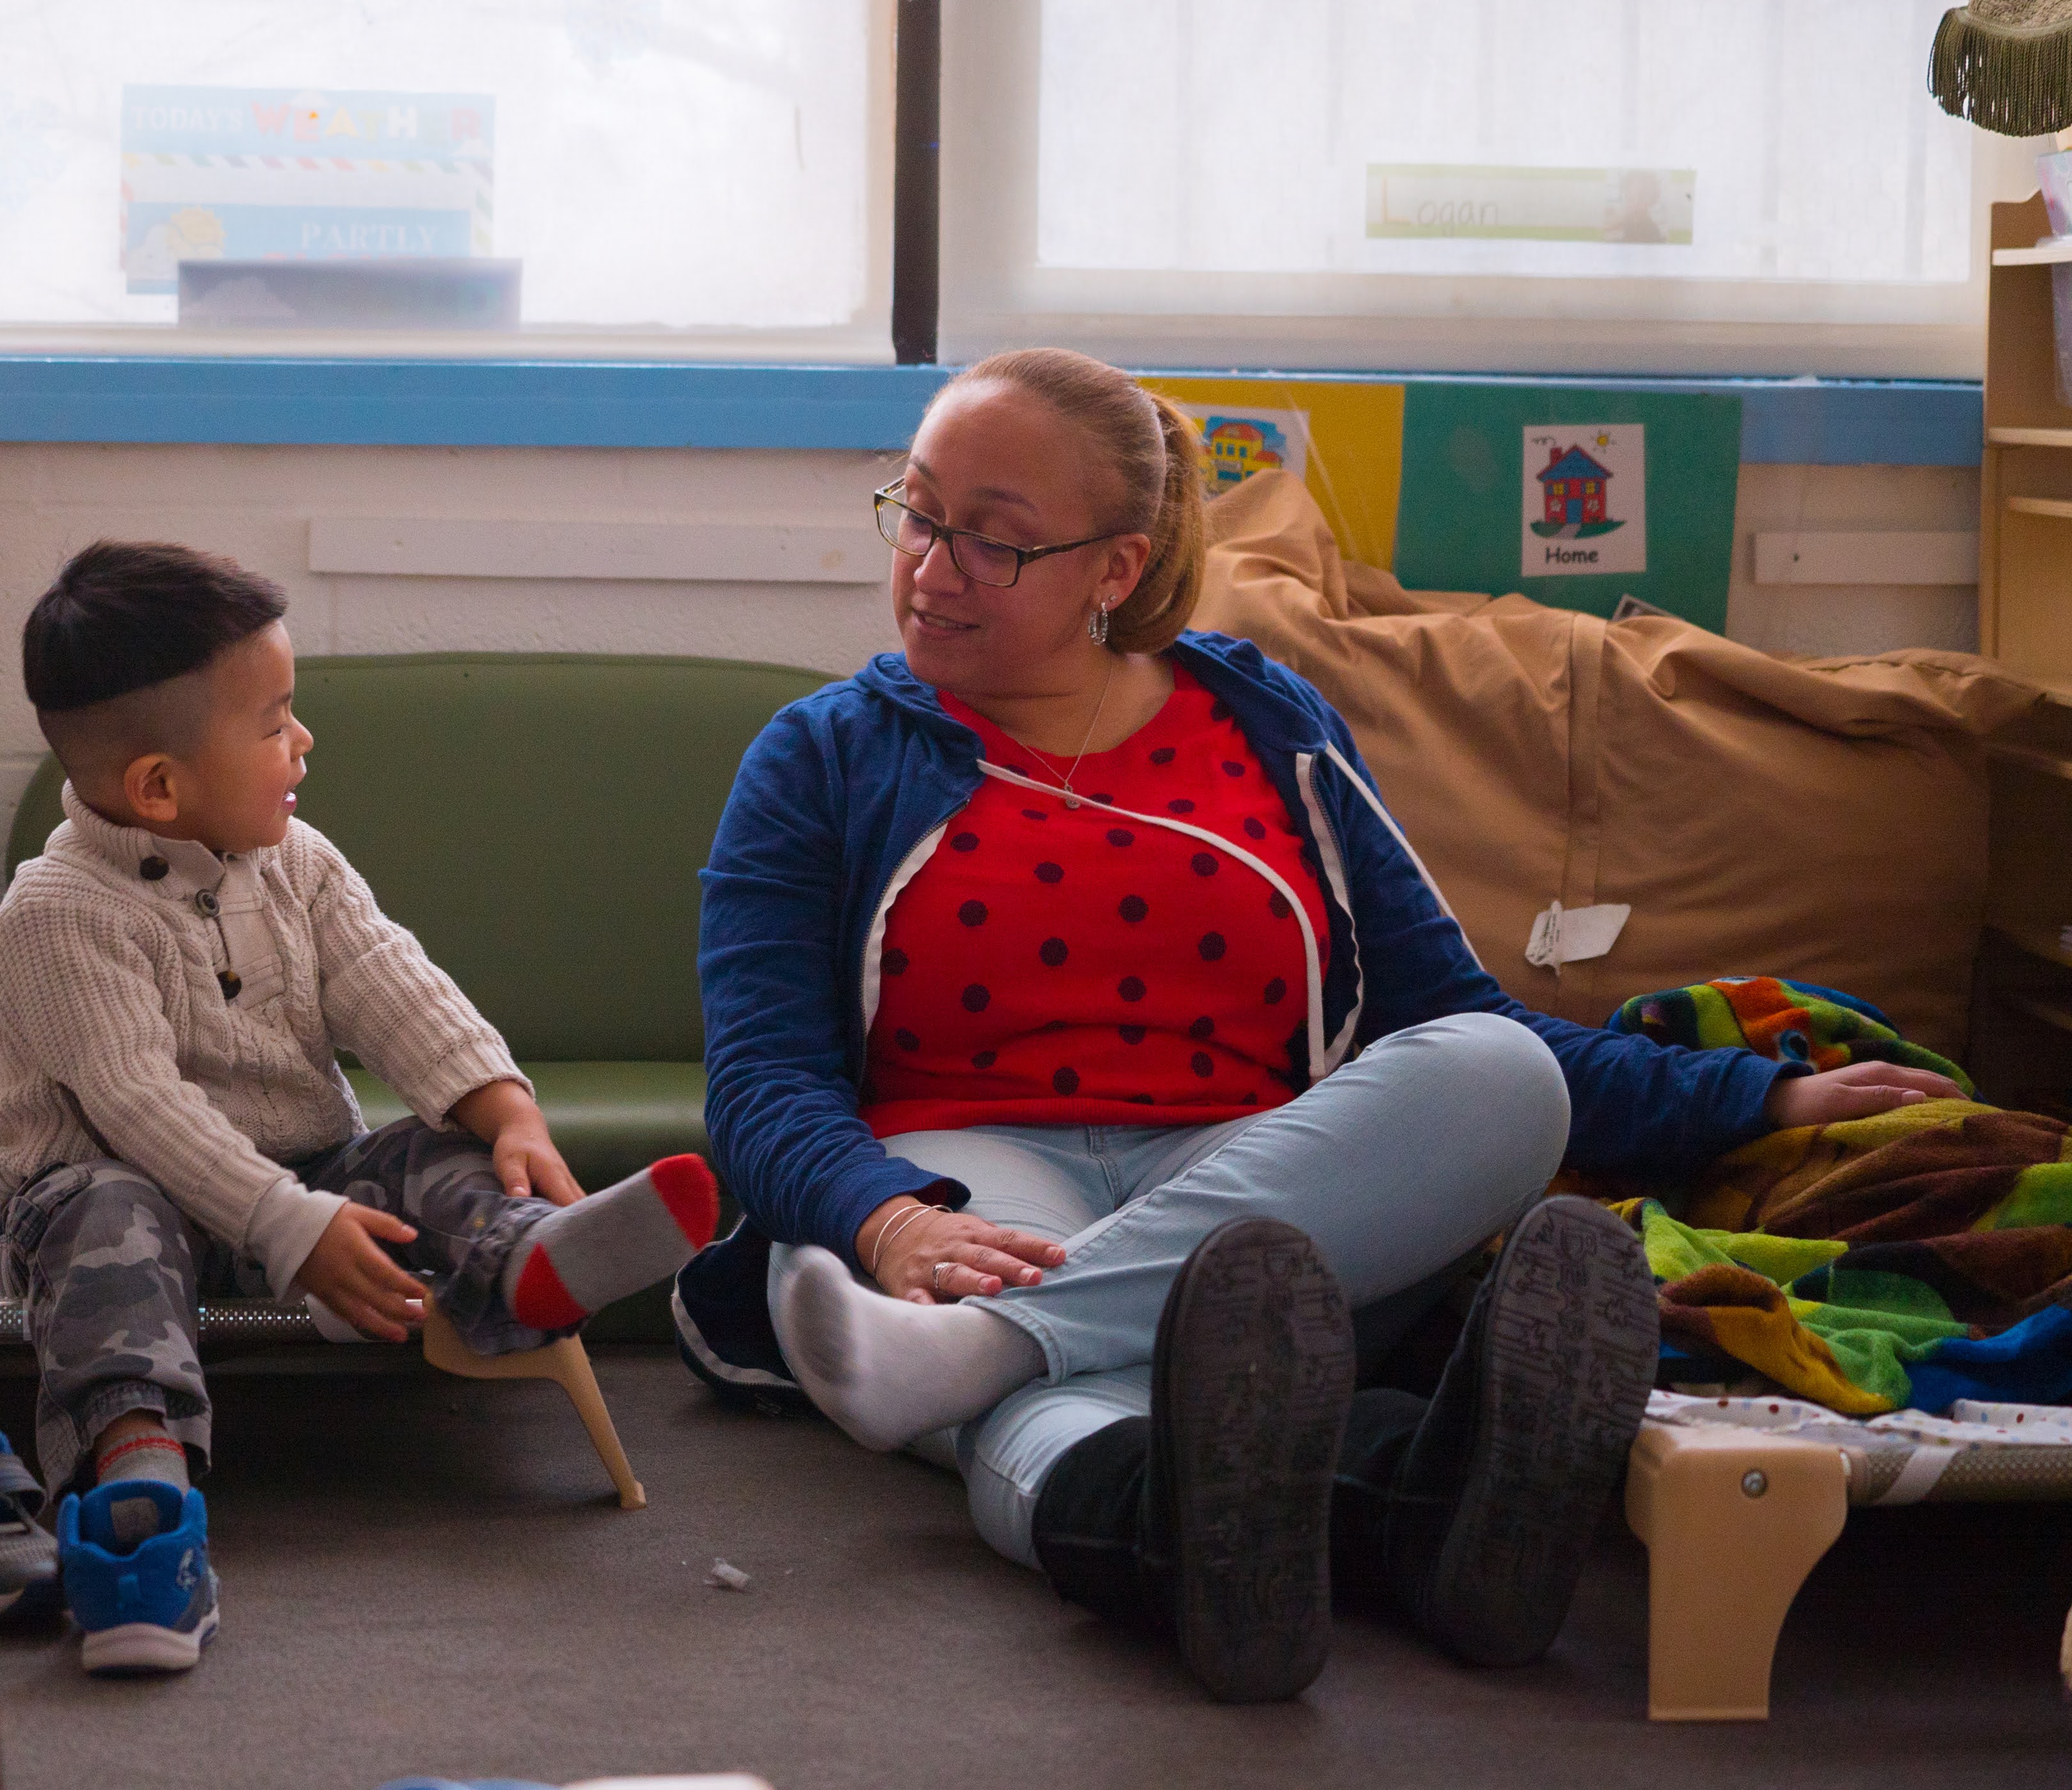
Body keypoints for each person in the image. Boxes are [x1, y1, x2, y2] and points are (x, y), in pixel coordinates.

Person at [679, 348, 1965, 1703]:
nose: (932, 570)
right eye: (918, 513)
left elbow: (1453, 1017)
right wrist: (887, 1223)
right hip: (957, 1175)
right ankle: (1399, 1512)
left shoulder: (1263, 724)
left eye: (993, 542)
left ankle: (969, 1360)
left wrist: (1747, 1099)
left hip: (1255, 1173)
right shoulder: (818, 754)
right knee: (1079, 1389)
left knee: (1492, 1074)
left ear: (1116, 570)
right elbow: (764, 1083)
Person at [0, 540, 719, 1676]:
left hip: (307, 1176)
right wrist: (288, 1227)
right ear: (158, 787)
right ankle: (141, 1481)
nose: (304, 743)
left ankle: (527, 1258)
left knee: (423, 1150)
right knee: (112, 1217)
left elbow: (394, 984)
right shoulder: (56, 915)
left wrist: (504, 1111)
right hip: (100, 1213)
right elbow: (142, 1109)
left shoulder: (298, 861)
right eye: (276, 720)